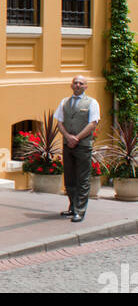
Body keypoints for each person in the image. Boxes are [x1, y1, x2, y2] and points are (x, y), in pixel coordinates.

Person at [53, 76, 100, 223]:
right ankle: (72, 207)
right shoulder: (64, 102)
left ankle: (80, 210)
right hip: (68, 145)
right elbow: (59, 122)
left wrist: (77, 138)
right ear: (71, 85)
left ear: (86, 86)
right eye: (75, 82)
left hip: (83, 145)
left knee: (83, 179)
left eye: (81, 83)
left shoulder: (92, 103)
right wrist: (68, 137)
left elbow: (93, 123)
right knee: (69, 178)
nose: (78, 85)